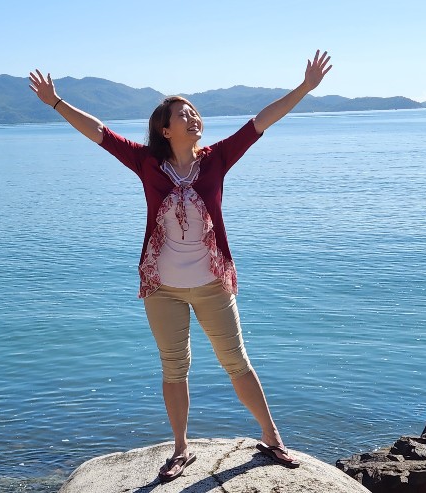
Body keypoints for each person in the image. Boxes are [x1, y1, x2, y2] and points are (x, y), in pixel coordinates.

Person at [29, 50, 331, 483]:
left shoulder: (217, 159)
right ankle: (180, 449)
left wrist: (304, 87)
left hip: (212, 285)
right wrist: (56, 102)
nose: (192, 117)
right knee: (174, 368)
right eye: (181, 114)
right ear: (164, 129)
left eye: (194, 112)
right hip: (162, 289)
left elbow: (261, 121)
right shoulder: (147, 163)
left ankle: (271, 436)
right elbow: (100, 132)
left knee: (236, 362)